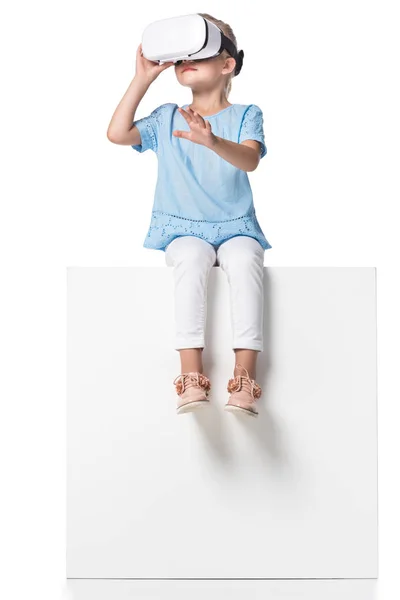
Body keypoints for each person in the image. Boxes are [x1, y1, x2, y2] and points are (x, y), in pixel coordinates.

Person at [107, 13, 271, 418]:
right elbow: (117, 133)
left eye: (196, 55)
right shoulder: (166, 118)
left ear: (227, 63)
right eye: (179, 59)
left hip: (236, 227)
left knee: (246, 258)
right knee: (193, 259)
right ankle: (191, 376)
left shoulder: (247, 114)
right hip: (183, 228)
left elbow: (249, 161)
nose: (184, 63)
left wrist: (212, 139)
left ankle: (245, 377)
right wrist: (143, 78)